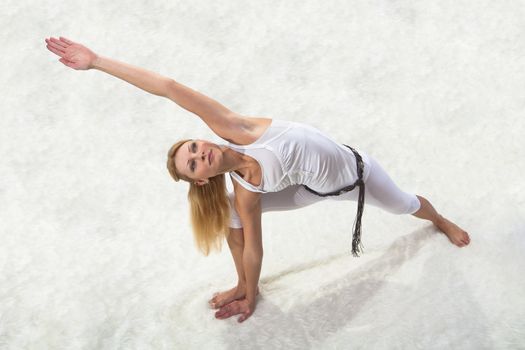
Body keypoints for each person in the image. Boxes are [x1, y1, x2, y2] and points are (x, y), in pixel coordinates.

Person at [45, 36, 471, 323]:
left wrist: (98, 62)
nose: (199, 153)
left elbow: (169, 87)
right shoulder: (244, 192)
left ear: (201, 138)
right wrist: (248, 290)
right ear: (200, 179)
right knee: (236, 218)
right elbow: (254, 248)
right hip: (306, 190)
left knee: (403, 205)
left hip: (357, 175)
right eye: (193, 164)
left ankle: (441, 219)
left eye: (192, 147)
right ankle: (243, 288)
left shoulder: (235, 128)